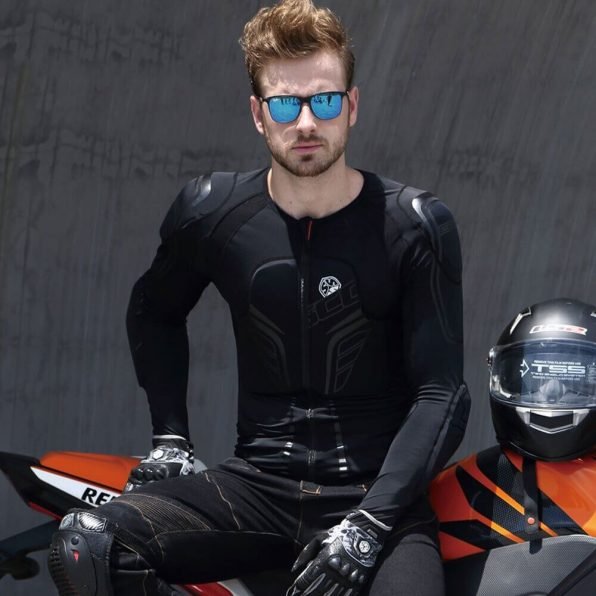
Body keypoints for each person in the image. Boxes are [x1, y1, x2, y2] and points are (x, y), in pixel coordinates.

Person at [48, 1, 470, 594]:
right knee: (88, 545)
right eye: (285, 104)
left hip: (379, 501)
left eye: (325, 101)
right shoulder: (212, 212)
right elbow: (155, 311)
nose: (306, 123)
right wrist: (170, 438)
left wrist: (369, 524)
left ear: (352, 106)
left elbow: (442, 392)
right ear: (258, 114)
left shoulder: (415, 224)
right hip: (255, 489)